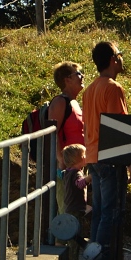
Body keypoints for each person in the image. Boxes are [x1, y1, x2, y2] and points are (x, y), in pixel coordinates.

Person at [82, 41, 131, 260]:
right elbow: (119, 129)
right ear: (113, 59)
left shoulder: (90, 89)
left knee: (99, 213)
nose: (122, 58)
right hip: (110, 157)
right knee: (111, 212)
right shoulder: (113, 88)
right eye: (120, 54)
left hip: (92, 156)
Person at [47, 61, 86, 213]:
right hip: (66, 171)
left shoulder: (74, 102)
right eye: (78, 74)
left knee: (76, 211)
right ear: (67, 79)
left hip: (77, 168)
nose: (82, 76)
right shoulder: (60, 102)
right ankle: (62, 238)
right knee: (66, 212)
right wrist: (61, 160)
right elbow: (52, 132)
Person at [60, 143, 91, 248]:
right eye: (85, 155)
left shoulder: (67, 172)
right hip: (76, 207)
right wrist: (90, 178)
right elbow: (79, 184)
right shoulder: (77, 173)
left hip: (69, 206)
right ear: (81, 158)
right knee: (76, 233)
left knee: (72, 232)